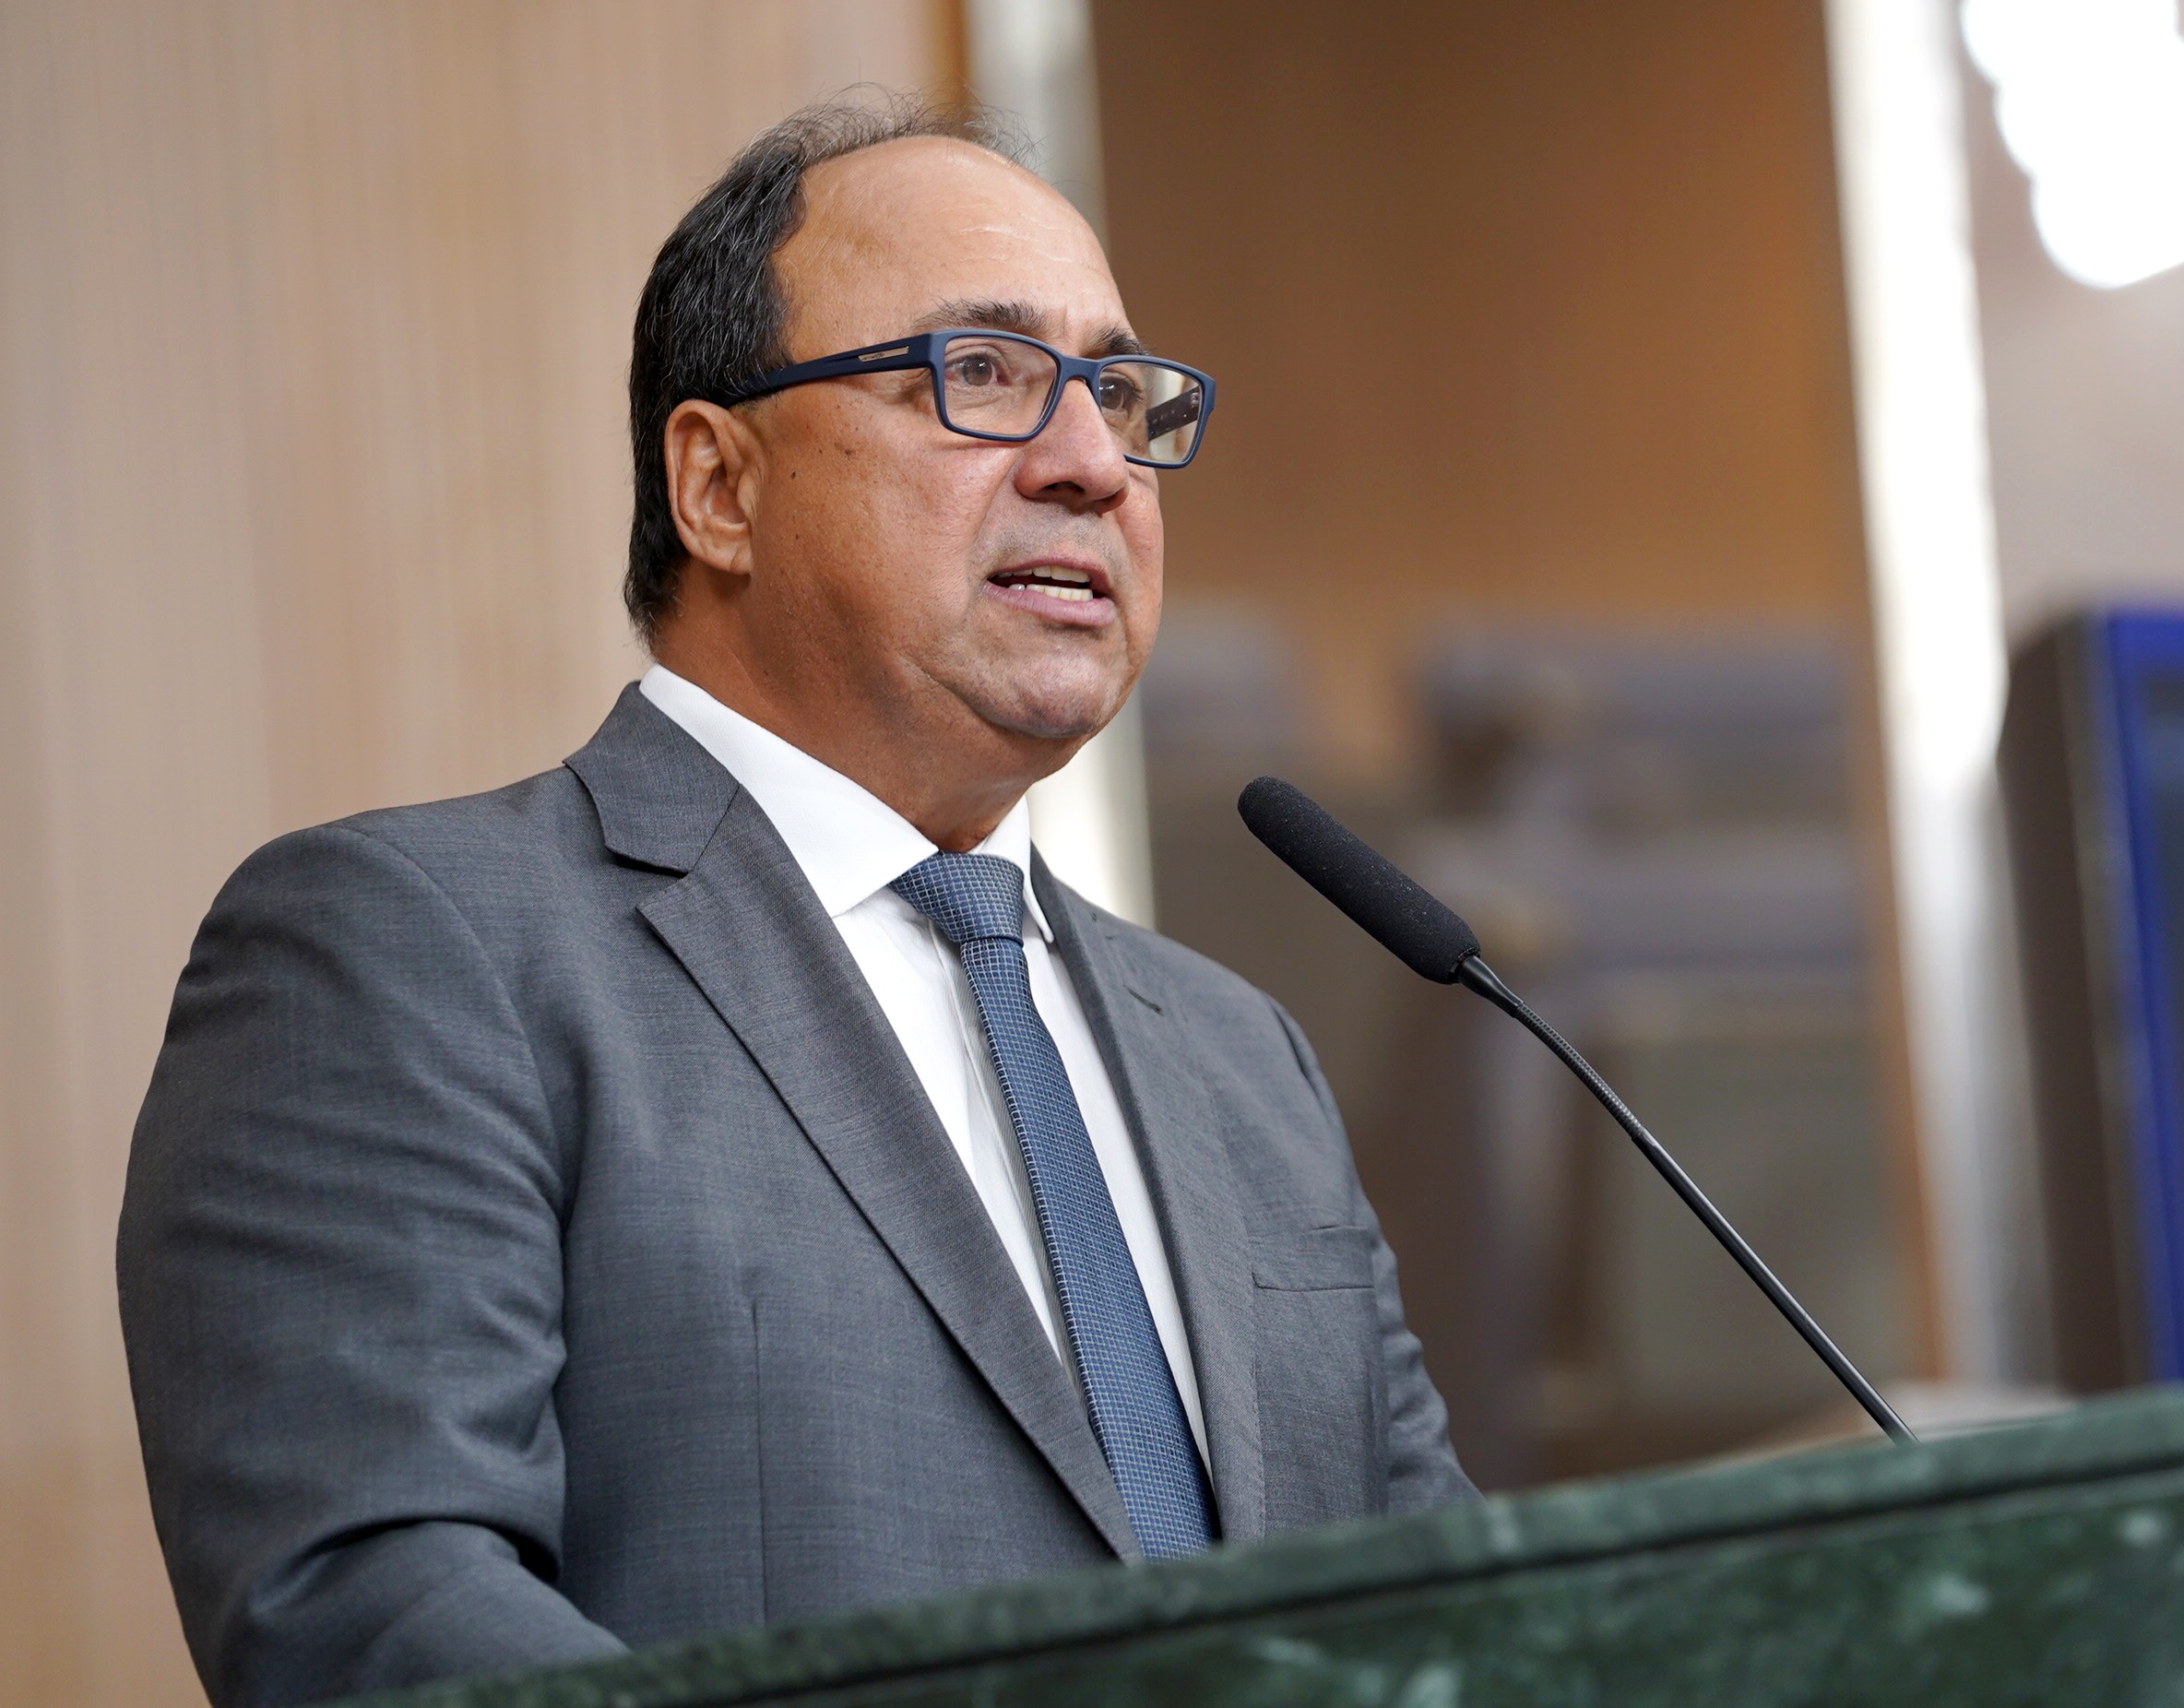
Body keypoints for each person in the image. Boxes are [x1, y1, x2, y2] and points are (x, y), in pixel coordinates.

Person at [119, 99, 1473, 1708]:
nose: (1093, 465)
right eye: (983, 374)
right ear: (719, 484)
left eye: (1118, 394)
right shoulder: (414, 950)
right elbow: (371, 1612)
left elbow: (1460, 1616)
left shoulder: (1240, 1054)